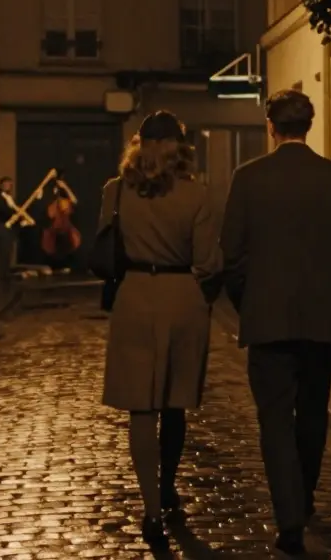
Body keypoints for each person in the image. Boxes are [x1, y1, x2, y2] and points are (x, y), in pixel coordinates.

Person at [219, 89, 331, 556]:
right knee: (312, 413)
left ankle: (289, 517)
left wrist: (247, 302)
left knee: (274, 420)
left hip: (267, 320)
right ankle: (303, 498)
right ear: (308, 126)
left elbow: (232, 255)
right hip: (322, 319)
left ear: (271, 126)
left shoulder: (248, 179)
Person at [97, 110, 221, 550]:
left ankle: (151, 508)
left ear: (138, 145)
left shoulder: (115, 192)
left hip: (133, 297)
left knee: (140, 409)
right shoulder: (197, 196)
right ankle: (168, 485)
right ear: (179, 147)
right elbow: (209, 263)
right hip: (182, 296)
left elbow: (104, 250)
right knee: (175, 404)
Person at [0, 177, 20, 283]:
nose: (8, 186)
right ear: (2, 185)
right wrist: (13, 215)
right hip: (1, 228)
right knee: (2, 252)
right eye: (6, 184)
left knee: (7, 251)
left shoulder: (9, 197)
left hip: (7, 229)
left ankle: (5, 274)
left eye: (10, 184)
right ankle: (0, 276)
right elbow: (3, 211)